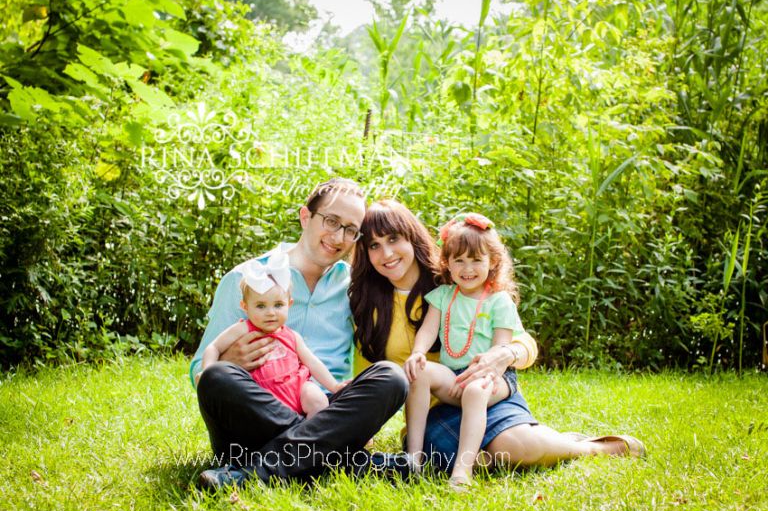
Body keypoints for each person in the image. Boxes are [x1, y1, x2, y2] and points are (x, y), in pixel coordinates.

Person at [349, 200, 645, 482]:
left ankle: (591, 448)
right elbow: (368, 377)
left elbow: (525, 343)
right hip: (434, 408)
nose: (386, 253)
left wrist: (505, 354)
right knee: (460, 457)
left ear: (412, 238)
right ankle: (490, 455)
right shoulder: (369, 303)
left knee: (520, 448)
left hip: (485, 389)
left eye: (393, 239)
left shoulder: (454, 279)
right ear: (364, 252)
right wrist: (360, 431)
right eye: (374, 245)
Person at [192, 179, 410, 490]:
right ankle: (349, 460)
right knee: (218, 377)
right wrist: (227, 361)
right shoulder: (247, 279)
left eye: (351, 229)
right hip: (255, 418)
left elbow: (413, 292)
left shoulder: (354, 286)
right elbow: (201, 371)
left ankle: (250, 472)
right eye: (331, 221)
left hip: (322, 407)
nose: (339, 237)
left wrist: (505, 349)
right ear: (305, 216)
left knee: (392, 378)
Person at [403, 212, 527, 488]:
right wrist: (418, 353)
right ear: (447, 263)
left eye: (476, 260)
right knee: (419, 373)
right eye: (458, 260)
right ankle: (413, 457)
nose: (466, 268)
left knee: (474, 391)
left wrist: (486, 373)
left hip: (494, 377)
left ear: (493, 262)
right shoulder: (444, 296)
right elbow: (427, 329)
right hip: (454, 374)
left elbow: (502, 349)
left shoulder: (499, 301)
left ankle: (463, 469)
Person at [201, 252, 345, 418]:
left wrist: (334, 386)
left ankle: (312, 435)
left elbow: (312, 362)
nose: (270, 313)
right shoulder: (243, 329)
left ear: (289, 304)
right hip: (263, 397)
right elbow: (213, 347)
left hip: (297, 389)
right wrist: (208, 372)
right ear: (245, 306)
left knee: (318, 400)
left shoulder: (292, 336)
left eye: (278, 305)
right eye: (261, 306)